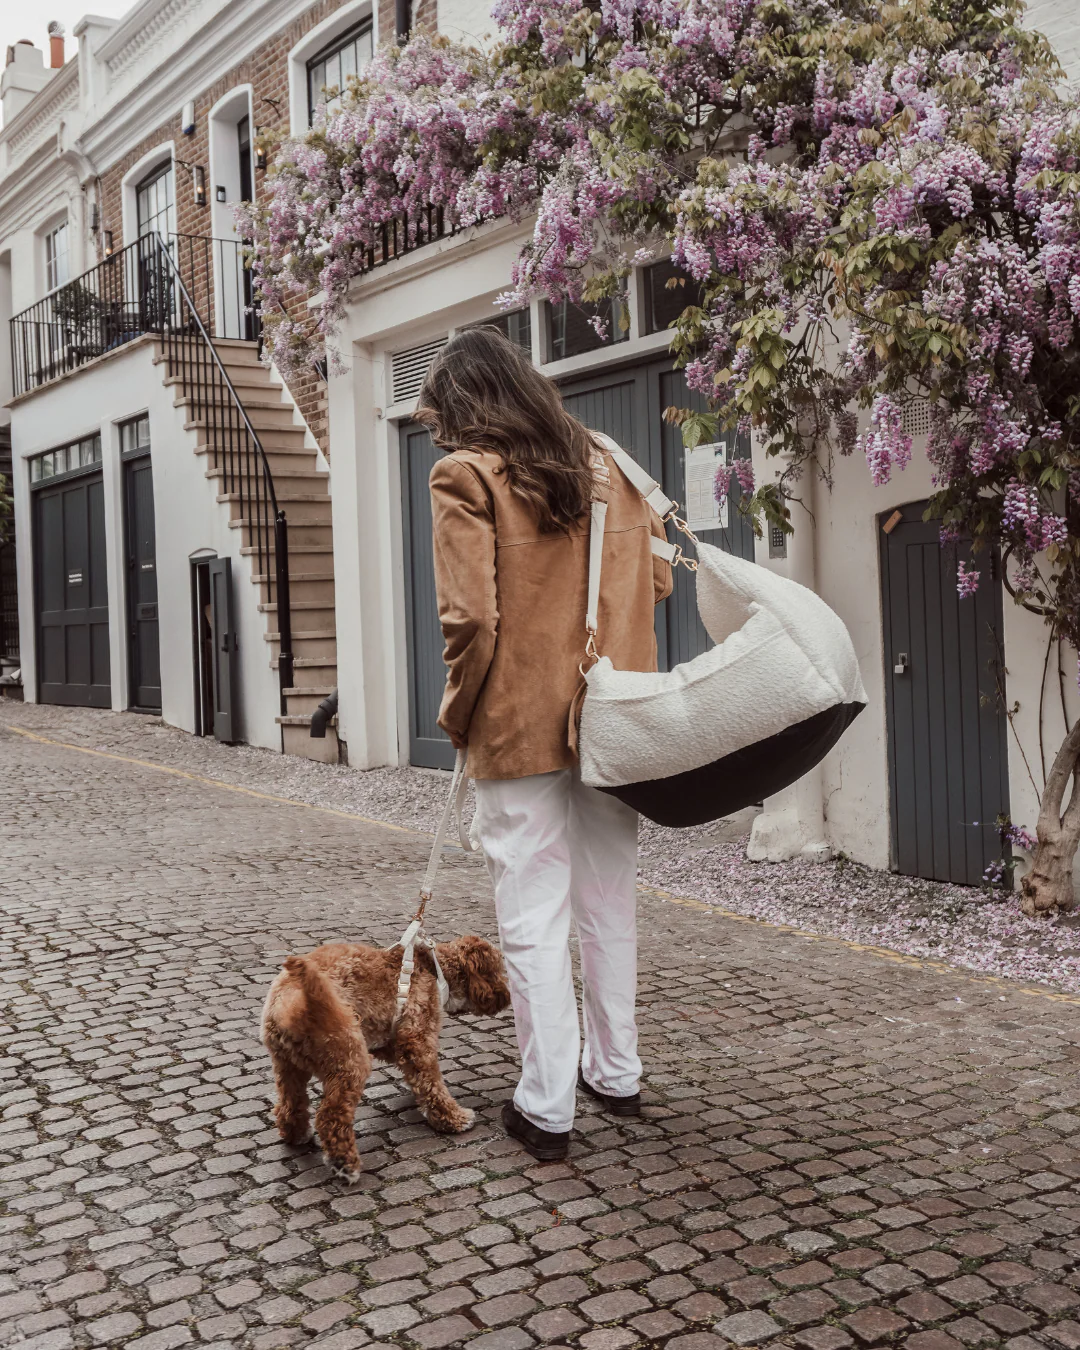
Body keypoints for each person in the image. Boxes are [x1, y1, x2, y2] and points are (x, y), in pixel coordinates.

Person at [419, 325, 672, 1161]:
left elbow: (471, 618)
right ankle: (618, 1072)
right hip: (614, 720)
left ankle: (547, 1105)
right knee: (608, 902)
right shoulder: (611, 464)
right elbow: (659, 578)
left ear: (465, 406)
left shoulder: (467, 476)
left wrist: (460, 710)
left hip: (520, 725)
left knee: (532, 914)